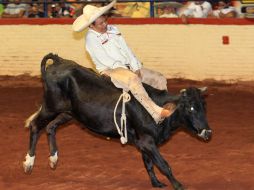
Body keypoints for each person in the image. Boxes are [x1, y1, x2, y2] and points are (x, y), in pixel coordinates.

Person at [72, 0, 176, 124]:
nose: (104, 24)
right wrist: (130, 71)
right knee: (133, 80)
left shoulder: (114, 29)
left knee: (159, 78)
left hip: (128, 67)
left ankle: (162, 105)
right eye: (100, 23)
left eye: (105, 20)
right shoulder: (91, 39)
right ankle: (156, 114)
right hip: (110, 71)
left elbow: (127, 49)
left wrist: (136, 66)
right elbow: (106, 61)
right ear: (91, 25)